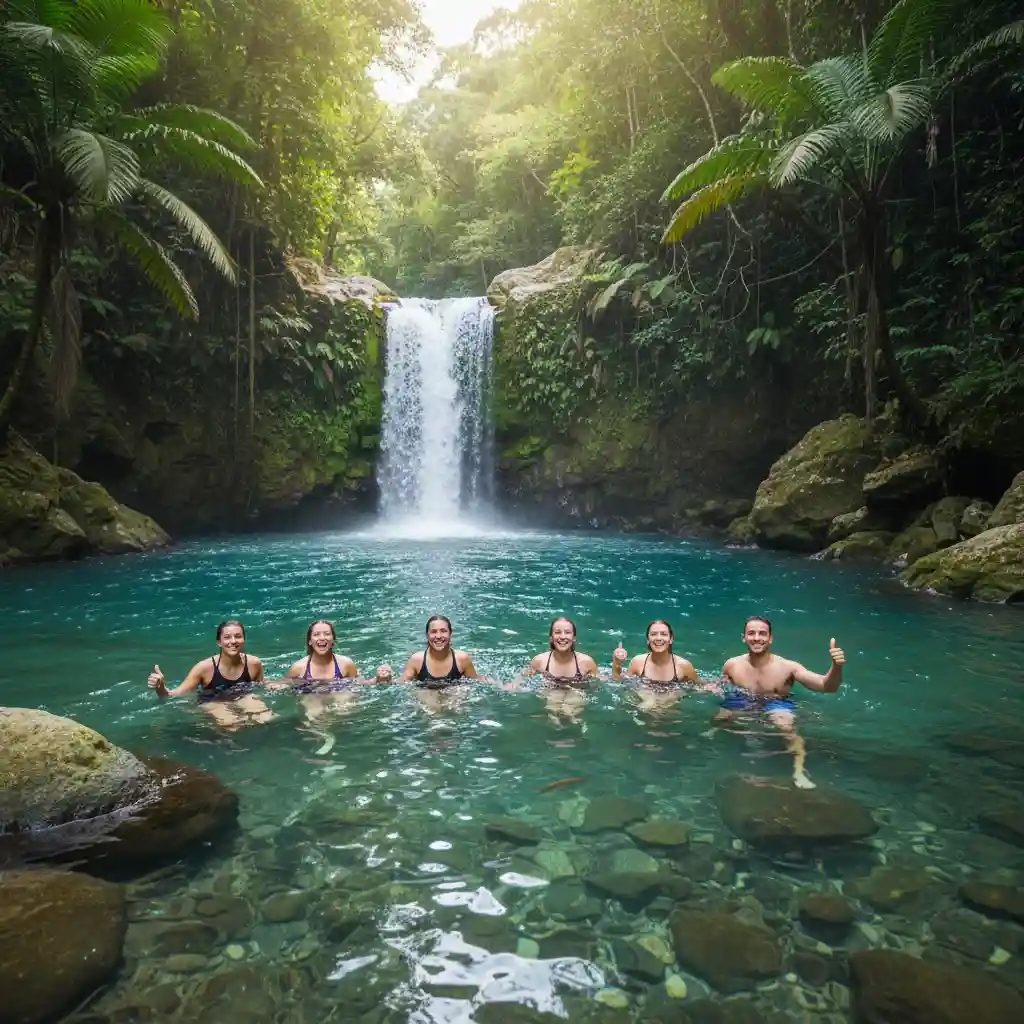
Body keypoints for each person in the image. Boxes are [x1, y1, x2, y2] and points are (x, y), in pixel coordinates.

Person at [715, 615, 845, 789]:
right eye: (751, 633)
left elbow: (827, 686)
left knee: (785, 726)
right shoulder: (732, 665)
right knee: (718, 720)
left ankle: (799, 771)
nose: (756, 638)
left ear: (770, 638)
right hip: (743, 699)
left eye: (762, 633)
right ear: (743, 637)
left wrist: (836, 667)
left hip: (776, 702)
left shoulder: (788, 667)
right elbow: (722, 685)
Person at [147, 619, 273, 730]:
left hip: (242, 696)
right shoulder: (203, 668)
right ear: (219, 642)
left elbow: (261, 686)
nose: (233, 641)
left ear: (243, 639)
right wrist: (160, 686)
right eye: (227, 637)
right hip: (213, 700)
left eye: (238, 636)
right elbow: (172, 696)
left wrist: (286, 684)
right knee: (233, 724)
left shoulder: (254, 663)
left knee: (266, 718)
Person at [376, 615, 480, 711]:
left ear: (450, 634)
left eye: (443, 631)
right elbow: (401, 682)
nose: (438, 636)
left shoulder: (461, 658)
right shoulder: (417, 660)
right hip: (426, 693)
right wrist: (385, 679)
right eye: (433, 632)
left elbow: (477, 680)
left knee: (458, 697)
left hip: (453, 692)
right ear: (427, 635)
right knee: (431, 704)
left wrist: (495, 682)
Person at [272, 619, 363, 725]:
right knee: (314, 716)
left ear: (333, 639)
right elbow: (284, 685)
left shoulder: (346, 664)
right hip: (312, 693)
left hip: (338, 690)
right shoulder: (299, 668)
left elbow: (360, 683)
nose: (322, 638)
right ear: (310, 641)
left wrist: (379, 679)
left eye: (327, 634)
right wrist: (272, 685)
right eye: (316, 634)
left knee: (345, 709)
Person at [611, 619, 701, 711]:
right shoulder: (637, 662)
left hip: (670, 709)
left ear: (671, 639)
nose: (658, 638)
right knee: (648, 702)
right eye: (653, 634)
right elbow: (619, 684)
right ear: (647, 640)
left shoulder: (683, 666)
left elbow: (699, 686)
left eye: (664, 634)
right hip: (645, 702)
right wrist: (616, 664)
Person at [522, 616, 599, 722]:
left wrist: (617, 667)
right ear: (551, 638)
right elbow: (521, 679)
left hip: (576, 688)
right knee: (553, 710)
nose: (562, 637)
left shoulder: (587, 662)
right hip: (551, 688)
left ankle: (575, 725)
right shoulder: (540, 661)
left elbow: (600, 682)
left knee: (568, 712)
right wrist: (502, 686)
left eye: (567, 632)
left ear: (574, 637)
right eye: (557, 632)